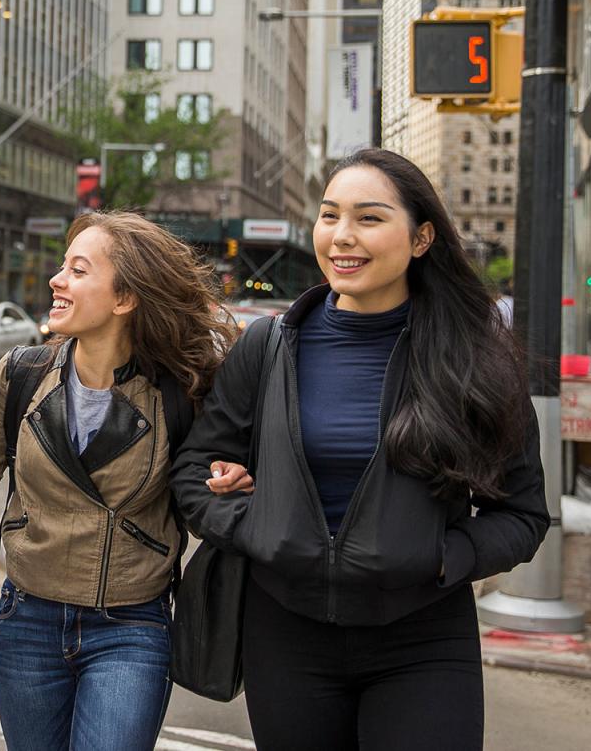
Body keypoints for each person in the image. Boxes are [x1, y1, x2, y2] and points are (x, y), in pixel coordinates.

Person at [171, 148, 548, 750]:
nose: (342, 237)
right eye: (329, 216)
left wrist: (443, 556)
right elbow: (192, 469)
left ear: (421, 238)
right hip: (285, 636)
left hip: (423, 636)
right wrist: (249, 525)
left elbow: (523, 514)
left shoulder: (475, 360)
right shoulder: (268, 347)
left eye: (369, 218)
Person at [0, 211, 236, 750]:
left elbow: (203, 482)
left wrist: (229, 476)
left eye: (78, 271)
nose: (56, 280)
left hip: (129, 628)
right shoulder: (21, 373)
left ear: (125, 299)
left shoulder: (180, 392)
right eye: (63, 266)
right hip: (26, 621)